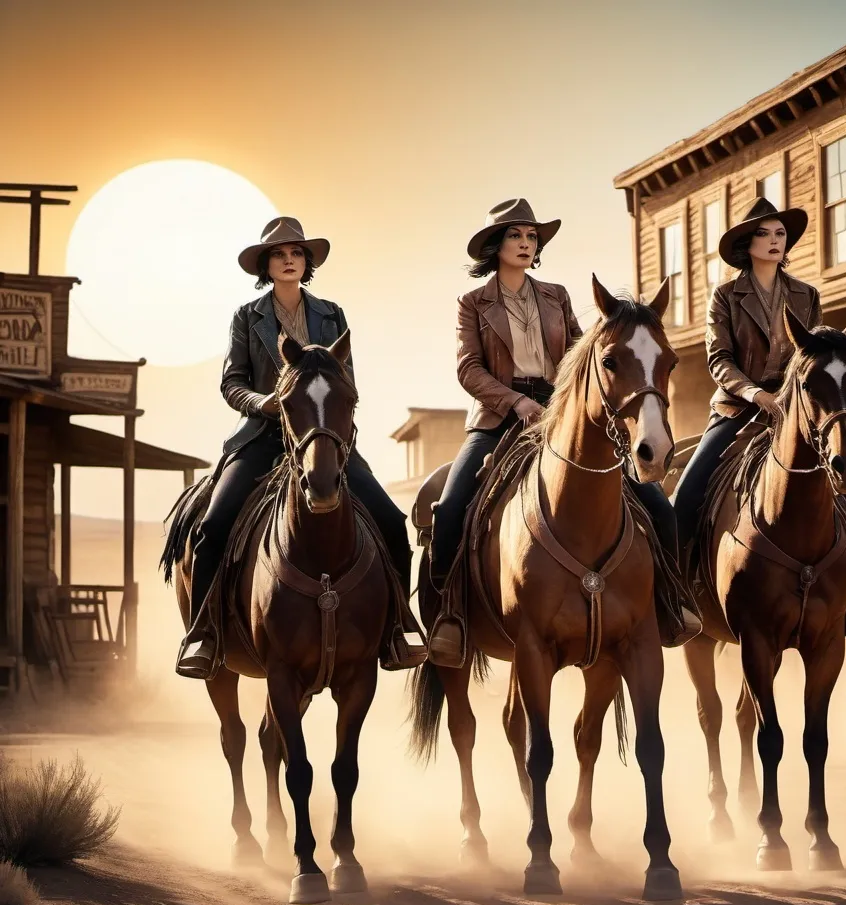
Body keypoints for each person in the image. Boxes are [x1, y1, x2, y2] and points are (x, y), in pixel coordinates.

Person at [426, 198, 688, 667]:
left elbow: (578, 353)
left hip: (559, 414)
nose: (526, 244)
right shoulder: (473, 303)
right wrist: (515, 401)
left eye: (532, 237)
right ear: (495, 246)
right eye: (516, 237)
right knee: (449, 510)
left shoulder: (556, 295)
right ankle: (450, 616)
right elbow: (468, 368)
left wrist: (560, 401)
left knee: (657, 507)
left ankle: (670, 602)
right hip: (496, 418)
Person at [176, 216, 423, 679]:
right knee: (213, 525)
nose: (289, 260)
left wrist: (331, 423)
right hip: (263, 434)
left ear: (307, 263)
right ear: (266, 265)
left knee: (391, 520)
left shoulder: (332, 314)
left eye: (297, 253)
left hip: (324, 437)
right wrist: (263, 403)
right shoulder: (247, 317)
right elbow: (232, 383)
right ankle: (204, 634)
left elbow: (345, 382)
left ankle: (397, 627)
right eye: (279, 254)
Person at [671, 197, 846, 637]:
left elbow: (816, 358)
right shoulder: (725, 296)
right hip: (737, 409)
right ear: (747, 244)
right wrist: (754, 392)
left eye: (780, 234)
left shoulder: (807, 295)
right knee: (686, 493)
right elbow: (719, 359)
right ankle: (678, 596)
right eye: (765, 234)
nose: (774, 242)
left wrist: (790, 399)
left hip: (797, 412)